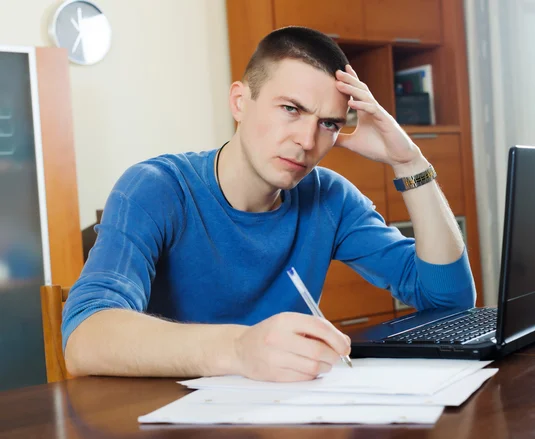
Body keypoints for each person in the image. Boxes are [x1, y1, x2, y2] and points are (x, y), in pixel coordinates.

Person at [63, 26, 475, 383]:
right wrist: (241, 348)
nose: (307, 141)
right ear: (240, 102)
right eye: (291, 110)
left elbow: (449, 301)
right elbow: (86, 337)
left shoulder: (329, 197)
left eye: (328, 123)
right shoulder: (155, 189)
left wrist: (410, 162)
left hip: (281, 414)